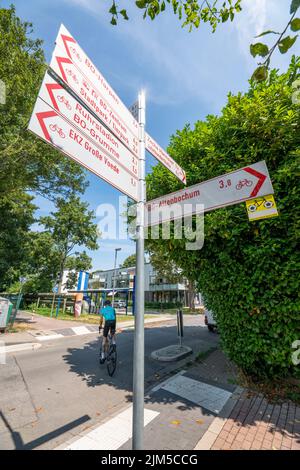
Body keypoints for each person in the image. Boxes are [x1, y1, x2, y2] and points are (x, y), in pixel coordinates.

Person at [99, 299, 116, 364]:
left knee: (104, 339)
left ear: (105, 305)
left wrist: (100, 325)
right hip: (113, 322)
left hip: (107, 322)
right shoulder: (113, 309)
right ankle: (114, 343)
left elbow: (101, 319)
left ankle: (103, 357)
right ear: (110, 304)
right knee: (113, 333)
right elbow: (115, 317)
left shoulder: (103, 310)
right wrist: (114, 328)